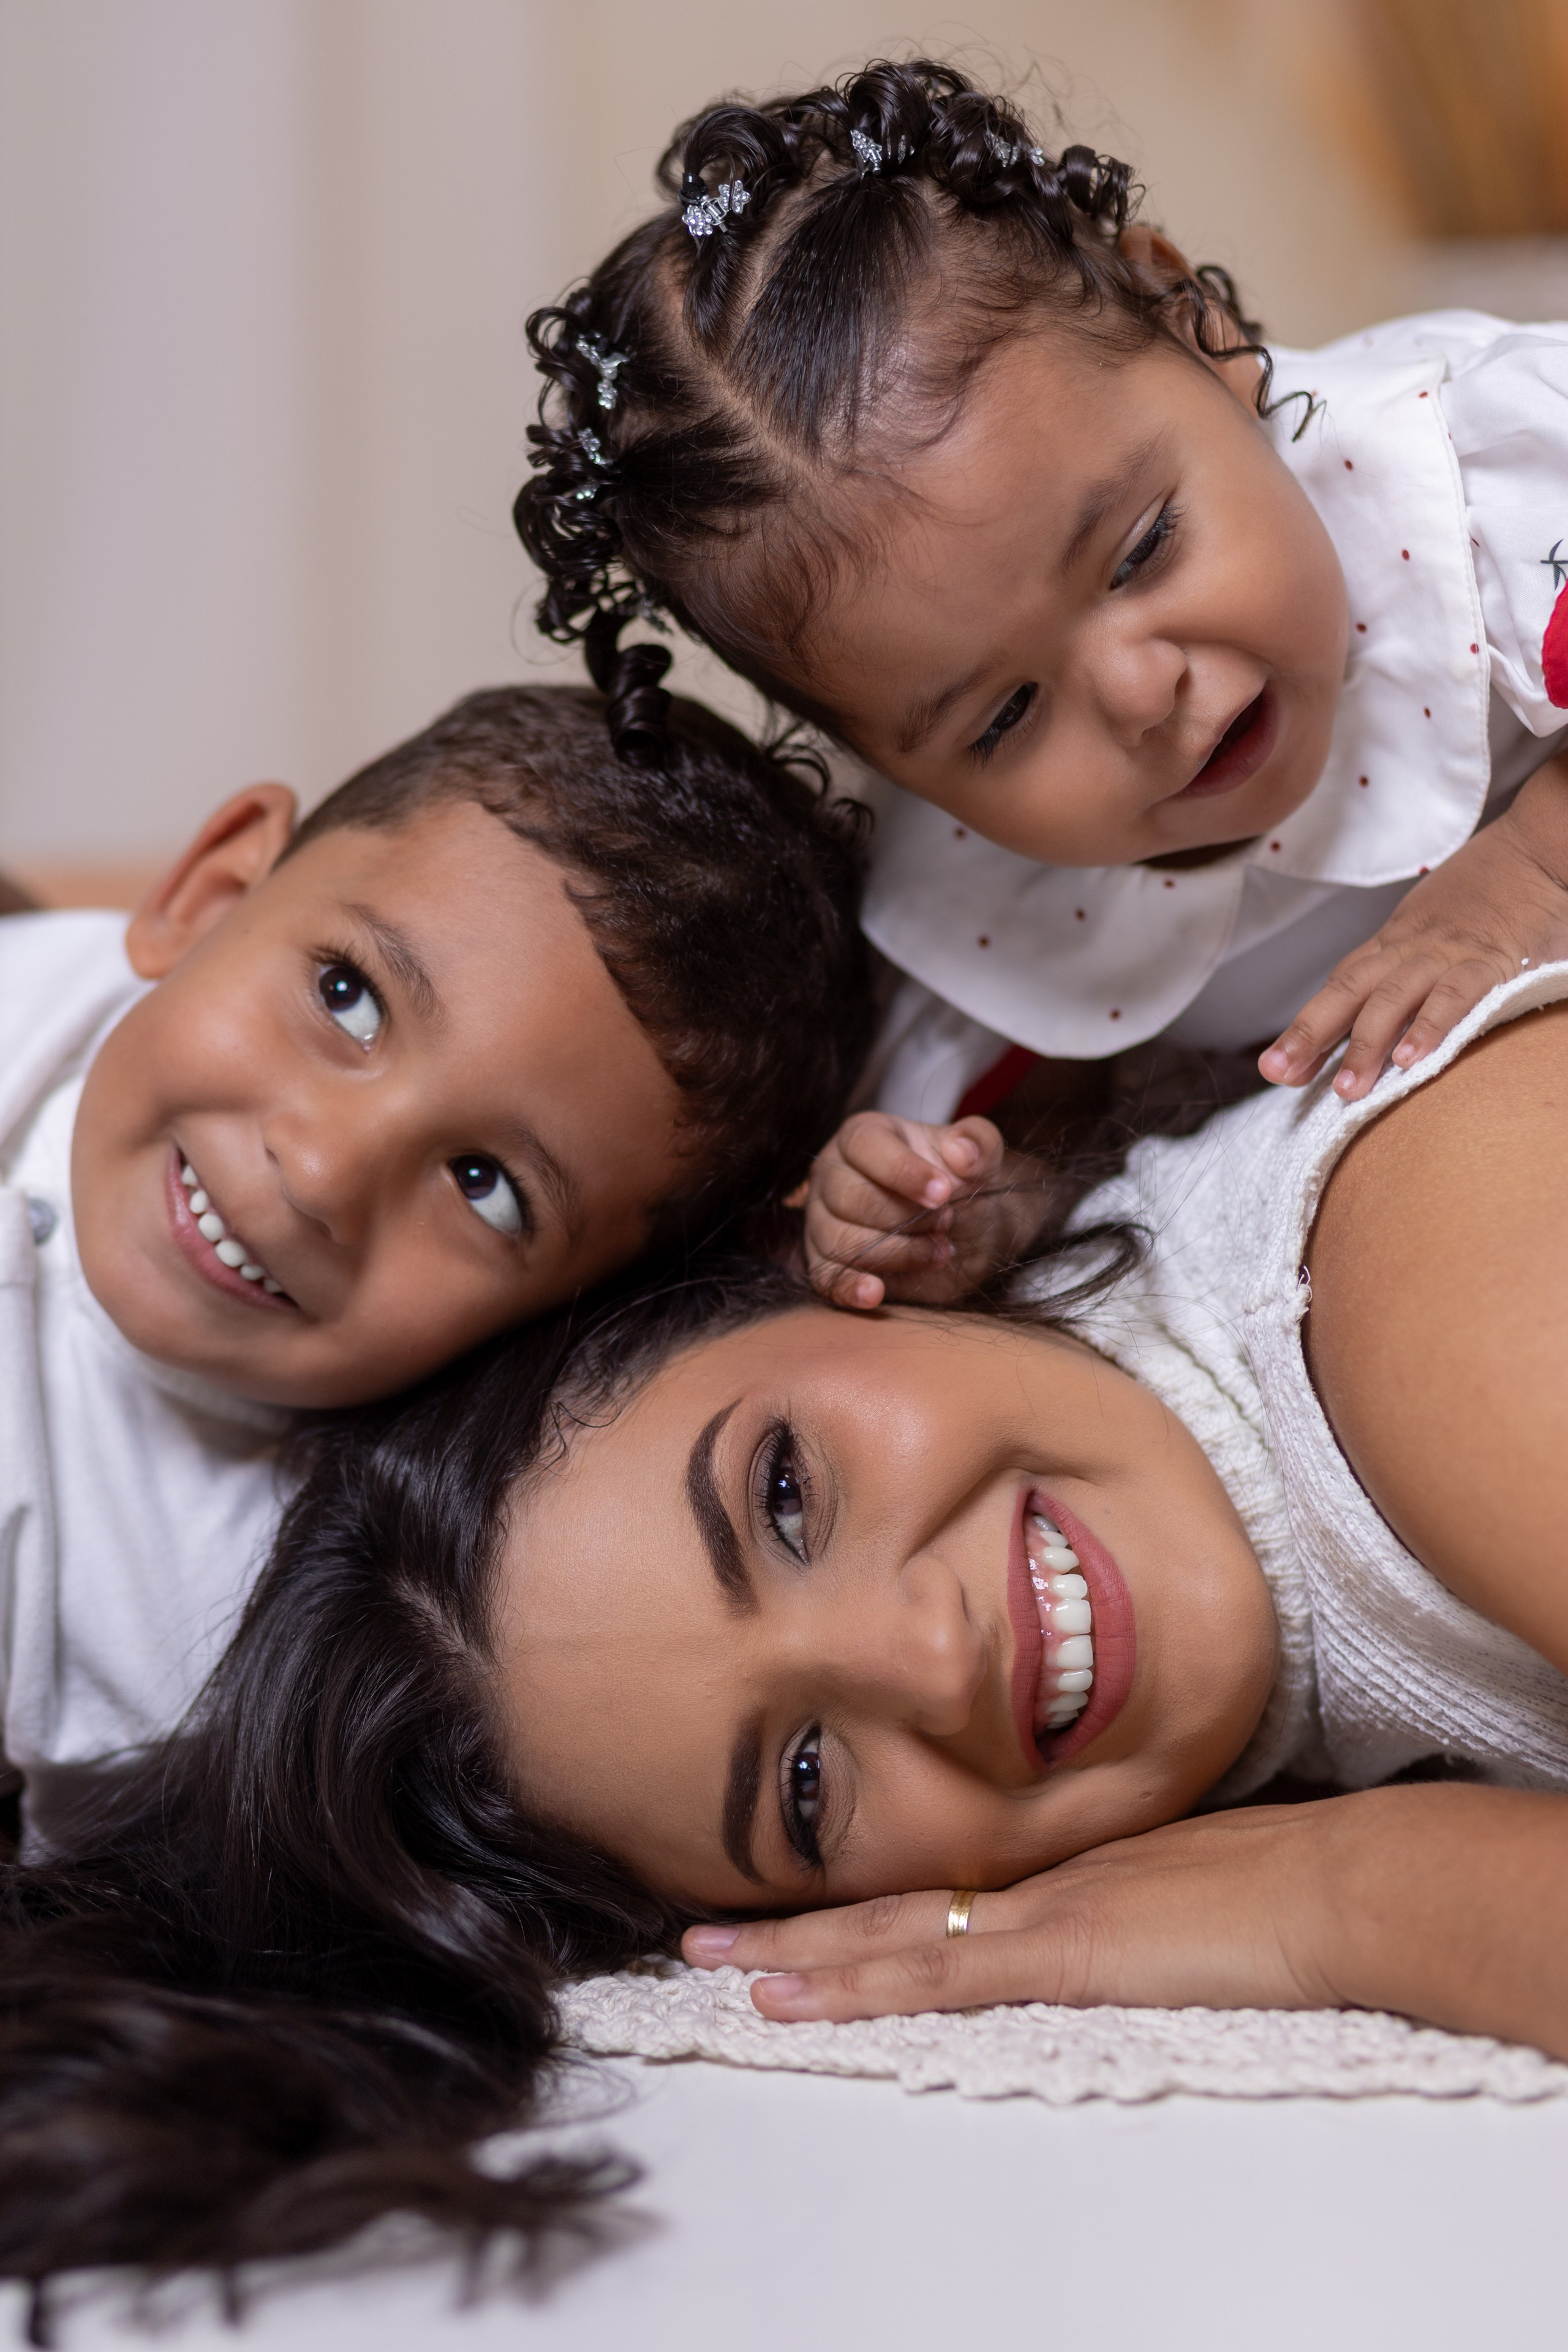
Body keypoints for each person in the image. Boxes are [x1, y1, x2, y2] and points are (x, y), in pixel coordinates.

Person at [3, 950, 1566, 2309]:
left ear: (812, 1272)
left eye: (785, 1497)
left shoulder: (1408, 1283)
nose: (931, 1659)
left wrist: (1344, 1898)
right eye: (805, 1784)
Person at [513, 56, 1568, 1306]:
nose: (1137, 693)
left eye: (1140, 551)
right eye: (1005, 716)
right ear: (897, 771)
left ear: (1194, 325)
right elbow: (1100, 1090)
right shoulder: (994, 888)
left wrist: (1527, 874)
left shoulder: (1472, 485)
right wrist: (985, 1200)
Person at [0, 682, 871, 1838]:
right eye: (348, 998)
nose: (323, 1172)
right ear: (211, 894)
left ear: (559, 1323)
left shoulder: (189, 1671)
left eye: (484, 1184)